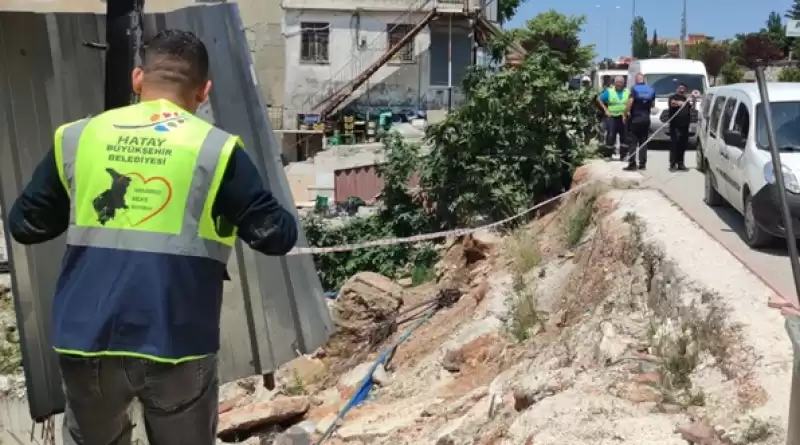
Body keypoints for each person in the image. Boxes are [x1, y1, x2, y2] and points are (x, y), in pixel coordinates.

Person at [7, 29, 298, 445]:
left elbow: (25, 224)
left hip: (87, 337)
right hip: (176, 338)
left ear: (138, 78)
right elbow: (276, 236)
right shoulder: (214, 150)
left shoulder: (77, 138)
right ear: (204, 91)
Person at [623, 73, 656, 171]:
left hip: (636, 119)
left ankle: (632, 164)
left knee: (633, 142)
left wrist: (625, 114)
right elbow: (653, 105)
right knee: (643, 142)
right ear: (643, 80)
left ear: (636, 80)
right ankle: (642, 164)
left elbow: (630, 102)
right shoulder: (651, 89)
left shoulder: (634, 89)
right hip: (646, 119)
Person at [597, 75, 630, 160]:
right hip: (612, 117)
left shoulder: (627, 91)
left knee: (624, 136)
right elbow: (599, 99)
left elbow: (631, 102)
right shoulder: (609, 91)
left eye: (621, 82)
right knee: (611, 135)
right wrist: (605, 110)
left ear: (624, 83)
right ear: (614, 83)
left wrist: (628, 111)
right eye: (617, 82)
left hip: (623, 116)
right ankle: (608, 155)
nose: (619, 84)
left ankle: (623, 155)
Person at [668, 83, 693, 171]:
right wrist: (680, 103)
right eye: (680, 88)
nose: (682, 90)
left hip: (685, 125)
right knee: (675, 144)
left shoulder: (687, 99)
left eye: (683, 89)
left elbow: (691, 108)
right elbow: (672, 103)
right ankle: (672, 164)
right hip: (675, 126)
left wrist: (693, 99)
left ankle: (681, 163)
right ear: (677, 89)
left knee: (682, 145)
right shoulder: (673, 97)